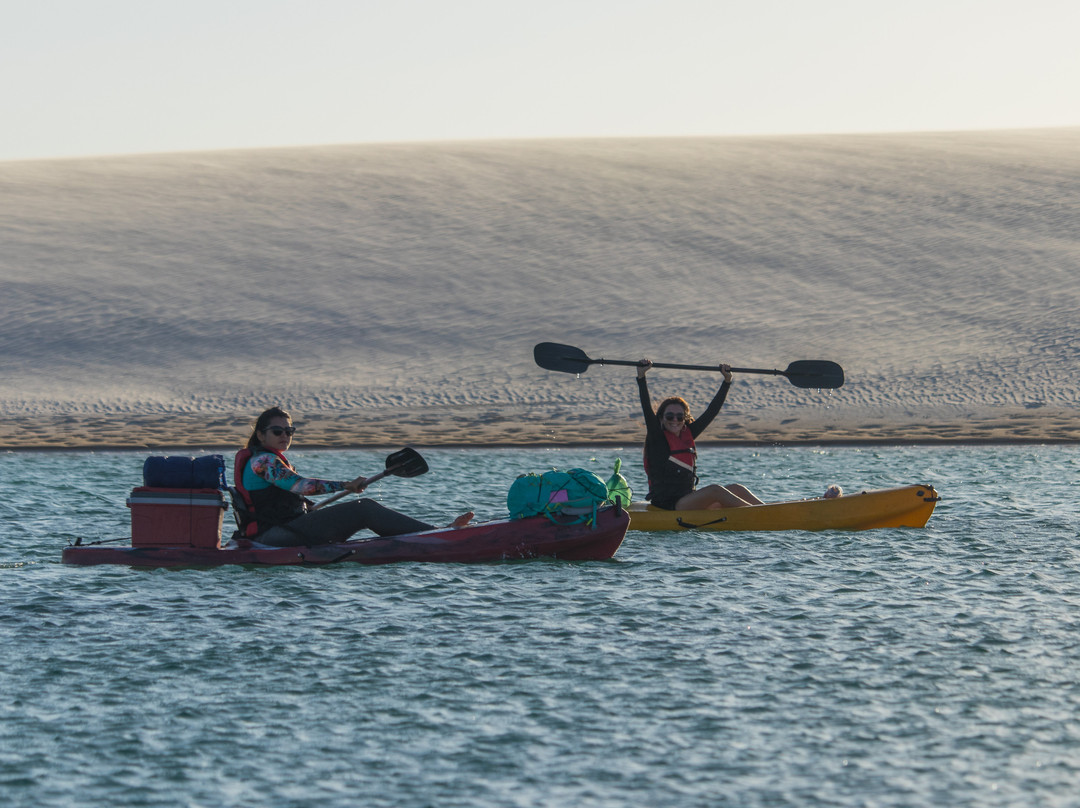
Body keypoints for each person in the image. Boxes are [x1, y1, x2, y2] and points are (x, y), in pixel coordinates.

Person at [234, 406, 472, 547]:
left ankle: (431, 535)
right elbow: (301, 486)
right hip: (273, 536)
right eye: (278, 431)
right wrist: (346, 485)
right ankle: (438, 536)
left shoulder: (267, 459)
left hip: (286, 528)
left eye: (289, 431)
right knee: (364, 509)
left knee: (359, 509)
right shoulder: (262, 461)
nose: (285, 435)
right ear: (261, 435)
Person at [637, 359, 764, 510]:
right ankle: (761, 513)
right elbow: (646, 408)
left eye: (680, 417)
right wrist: (641, 377)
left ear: (685, 419)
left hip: (689, 499)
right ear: (662, 419)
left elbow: (711, 412)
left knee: (736, 488)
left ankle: (774, 509)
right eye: (670, 416)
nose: (675, 421)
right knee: (715, 490)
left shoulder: (687, 434)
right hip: (669, 505)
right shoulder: (657, 439)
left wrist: (727, 381)